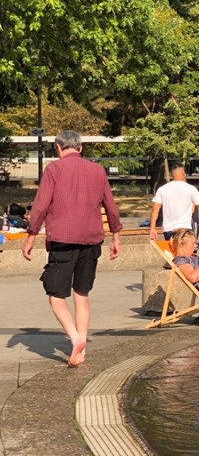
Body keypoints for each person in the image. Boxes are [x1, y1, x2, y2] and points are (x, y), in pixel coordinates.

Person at [21, 130, 122, 367]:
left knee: (56, 296)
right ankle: (81, 349)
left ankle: (75, 338)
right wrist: (116, 236)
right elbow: (111, 206)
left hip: (63, 240)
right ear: (80, 148)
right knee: (82, 294)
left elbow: (41, 205)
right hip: (91, 240)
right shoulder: (97, 170)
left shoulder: (54, 170)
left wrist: (31, 236)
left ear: (58, 148)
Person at [149, 161, 199, 241]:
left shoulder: (162, 189)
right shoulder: (190, 188)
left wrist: (152, 228)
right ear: (183, 174)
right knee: (186, 248)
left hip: (169, 230)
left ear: (172, 175)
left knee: (172, 248)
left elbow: (155, 209)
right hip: (185, 229)